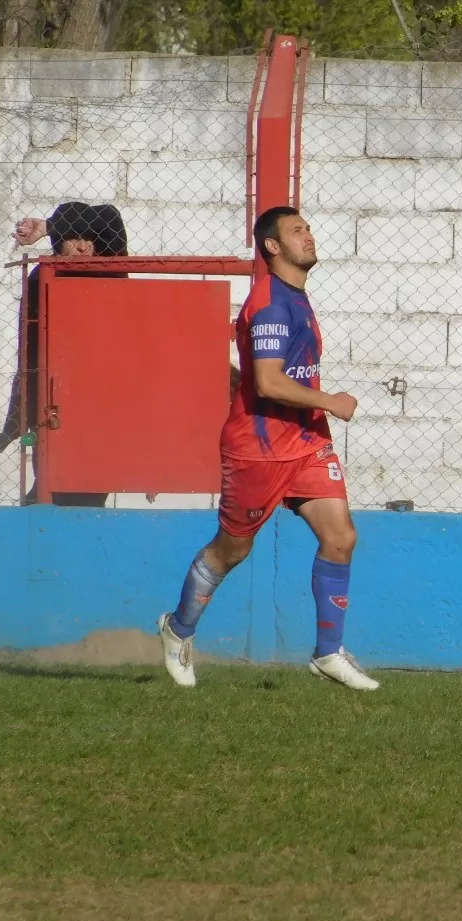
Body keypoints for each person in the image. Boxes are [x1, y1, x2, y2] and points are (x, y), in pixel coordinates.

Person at [154, 206, 376, 691]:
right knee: (232, 549)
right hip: (258, 450)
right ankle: (179, 629)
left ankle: (328, 652)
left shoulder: (295, 296)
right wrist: (330, 401)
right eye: (297, 231)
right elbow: (269, 381)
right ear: (272, 246)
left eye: (308, 228)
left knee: (341, 537)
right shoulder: (272, 303)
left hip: (306, 441)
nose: (308, 236)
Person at [0, 202, 128, 506]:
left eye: (90, 238)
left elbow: (111, 218)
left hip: (102, 398)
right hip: (54, 398)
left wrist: (47, 226)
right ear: (58, 243)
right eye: (73, 238)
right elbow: (29, 351)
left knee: (92, 490)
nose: (82, 247)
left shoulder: (110, 269)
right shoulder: (43, 276)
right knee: (49, 486)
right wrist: (20, 414)